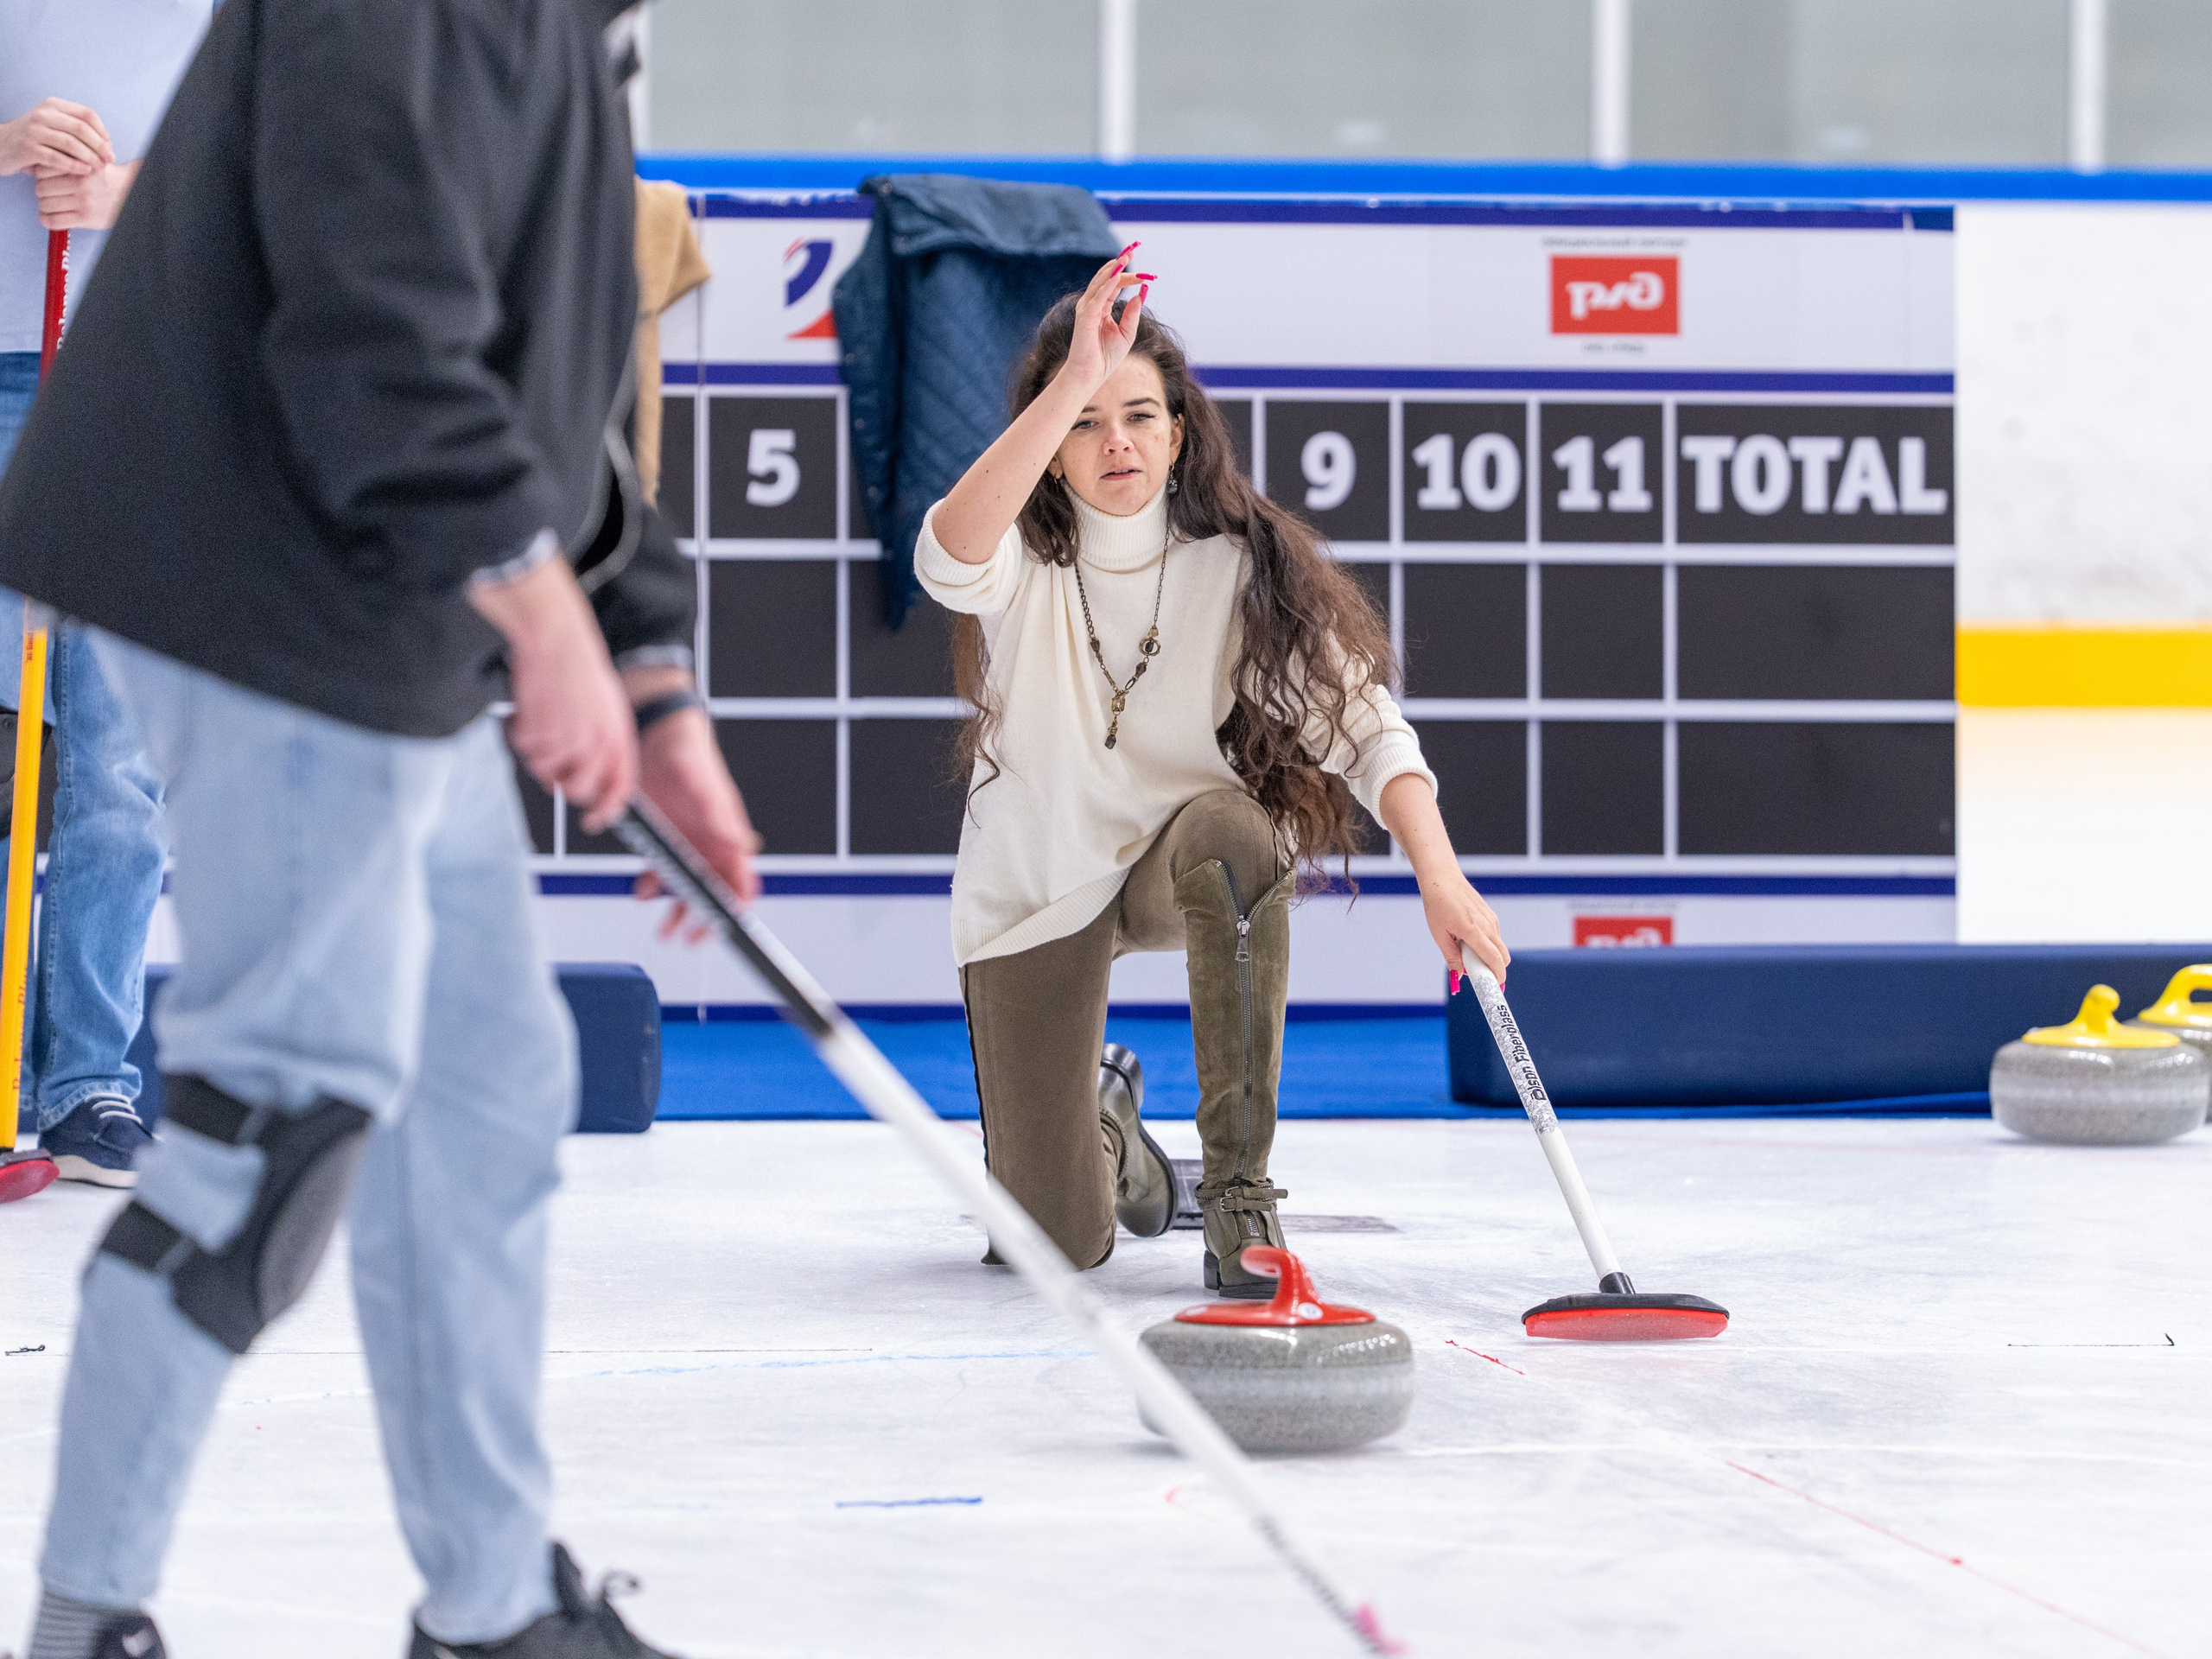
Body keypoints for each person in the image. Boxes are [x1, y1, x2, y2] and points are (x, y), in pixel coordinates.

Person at [0, 2, 757, 1655]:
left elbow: (556, 374)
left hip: (386, 588)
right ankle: (84, 1618)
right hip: (255, 571)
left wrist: (648, 666)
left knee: (484, 1090)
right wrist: (540, 611)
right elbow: (369, 313)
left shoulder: (578, 27)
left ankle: (489, 1609)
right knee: (280, 1110)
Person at [920, 251, 1511, 1296]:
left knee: (1240, 830)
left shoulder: (1240, 566)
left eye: (1140, 415)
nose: (1116, 442)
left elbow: (1365, 726)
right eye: (1087, 421)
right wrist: (1072, 379)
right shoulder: (1022, 556)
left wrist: (1440, 874)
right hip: (1034, 894)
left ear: (1179, 432)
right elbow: (946, 555)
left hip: (1167, 859)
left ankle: (1238, 1189)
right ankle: (1117, 1135)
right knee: (1059, 1243)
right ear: (1052, 447)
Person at [0, 0, 212, 1187]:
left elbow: (278, 186)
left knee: (117, 765)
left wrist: (130, 194)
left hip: (148, 378)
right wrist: (8, 142)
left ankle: (85, 1086)